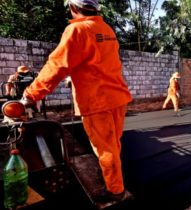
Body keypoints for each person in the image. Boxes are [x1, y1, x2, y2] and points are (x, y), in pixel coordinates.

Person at [21, 0, 132, 201]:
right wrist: (78, 76)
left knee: (106, 149)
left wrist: (30, 95)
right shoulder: (106, 29)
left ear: (73, 8)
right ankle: (114, 178)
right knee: (113, 145)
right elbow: (100, 62)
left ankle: (116, 191)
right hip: (117, 96)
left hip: (97, 101)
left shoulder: (77, 30)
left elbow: (57, 66)